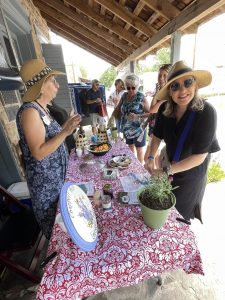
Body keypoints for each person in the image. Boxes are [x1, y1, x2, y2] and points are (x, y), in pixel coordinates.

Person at [145, 60, 220, 223]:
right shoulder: (164, 110)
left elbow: (199, 157)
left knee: (180, 217)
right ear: (170, 91)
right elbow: (156, 136)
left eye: (188, 82)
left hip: (190, 177)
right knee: (163, 210)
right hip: (169, 167)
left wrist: (165, 171)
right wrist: (150, 158)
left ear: (195, 85)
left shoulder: (207, 112)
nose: (183, 90)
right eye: (175, 86)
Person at [16, 59, 81, 239]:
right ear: (41, 86)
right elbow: (38, 152)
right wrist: (65, 132)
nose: (57, 85)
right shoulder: (30, 112)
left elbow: (51, 139)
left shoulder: (43, 109)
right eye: (53, 80)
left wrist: (66, 126)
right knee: (57, 235)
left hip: (56, 182)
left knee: (65, 230)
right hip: (47, 187)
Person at [144, 64, 172, 163]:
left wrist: (157, 93)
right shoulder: (161, 92)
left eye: (165, 75)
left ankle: (155, 176)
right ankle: (156, 177)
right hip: (153, 129)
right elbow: (153, 114)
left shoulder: (168, 95)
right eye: (159, 76)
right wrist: (145, 122)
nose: (161, 78)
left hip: (160, 132)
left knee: (148, 158)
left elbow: (152, 109)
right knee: (156, 158)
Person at [119, 74, 150, 164]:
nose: (131, 90)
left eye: (133, 87)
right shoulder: (124, 96)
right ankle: (132, 166)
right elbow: (120, 108)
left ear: (137, 86)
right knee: (130, 147)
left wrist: (138, 116)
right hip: (127, 128)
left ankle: (140, 169)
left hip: (138, 129)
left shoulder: (141, 97)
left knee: (139, 149)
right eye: (128, 88)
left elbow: (151, 114)